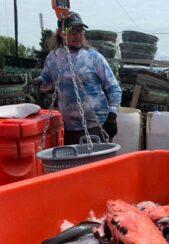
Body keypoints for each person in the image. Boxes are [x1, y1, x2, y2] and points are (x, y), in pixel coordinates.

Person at [24, 11, 122, 145]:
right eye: (72, 31)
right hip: (69, 128)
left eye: (81, 31)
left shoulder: (94, 57)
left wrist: (112, 116)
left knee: (98, 165)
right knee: (75, 165)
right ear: (60, 32)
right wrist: (38, 82)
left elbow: (114, 88)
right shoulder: (53, 58)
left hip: (97, 125)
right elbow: (47, 80)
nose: (78, 35)